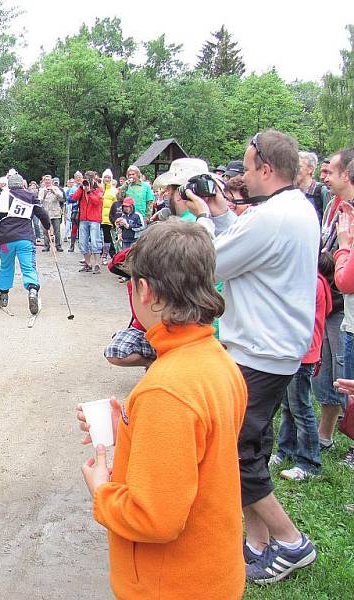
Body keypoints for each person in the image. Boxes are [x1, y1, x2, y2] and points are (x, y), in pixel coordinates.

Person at [80, 218, 246, 600]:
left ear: (146, 291)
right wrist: (132, 428)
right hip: (213, 573)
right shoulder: (218, 361)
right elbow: (198, 450)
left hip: (170, 585)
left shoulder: (165, 389)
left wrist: (102, 491)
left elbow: (155, 517)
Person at [184, 129, 319, 584]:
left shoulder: (272, 218)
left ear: (265, 169)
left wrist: (200, 219)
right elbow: (245, 243)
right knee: (252, 449)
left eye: (245, 166)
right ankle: (258, 543)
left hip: (259, 353)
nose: (240, 175)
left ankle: (291, 542)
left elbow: (213, 264)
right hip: (274, 349)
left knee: (234, 454)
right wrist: (221, 214)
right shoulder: (293, 207)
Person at [270, 251, 331, 480]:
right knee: (288, 406)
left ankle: (309, 463)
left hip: (301, 354)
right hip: (295, 352)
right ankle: (286, 450)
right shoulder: (315, 280)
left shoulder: (310, 282)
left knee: (301, 409)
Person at [0, 172, 51, 314]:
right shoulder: (31, 196)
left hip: (5, 241)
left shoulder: (0, 196)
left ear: (9, 185)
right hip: (25, 240)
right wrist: (47, 226)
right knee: (28, 267)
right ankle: (32, 290)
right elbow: (42, 214)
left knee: (6, 267)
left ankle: (4, 295)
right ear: (22, 185)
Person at [318, 147, 354, 452]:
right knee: (331, 374)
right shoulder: (334, 206)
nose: (324, 176)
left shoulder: (350, 213)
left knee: (347, 373)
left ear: (347, 174)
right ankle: (325, 436)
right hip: (332, 301)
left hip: (344, 303)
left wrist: (340, 250)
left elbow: (346, 277)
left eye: (331, 171)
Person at [72, 172, 104, 273]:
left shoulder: (99, 189)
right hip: (83, 219)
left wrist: (89, 192)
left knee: (95, 241)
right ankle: (87, 263)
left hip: (94, 219)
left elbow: (96, 202)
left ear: (94, 178)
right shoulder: (82, 188)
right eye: (86, 178)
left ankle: (97, 264)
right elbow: (74, 198)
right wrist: (81, 188)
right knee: (82, 242)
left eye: (90, 178)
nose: (88, 180)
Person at [297, 151, 327, 223]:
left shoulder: (322, 191)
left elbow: (328, 222)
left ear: (310, 169)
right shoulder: (291, 192)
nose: (295, 170)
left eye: (299, 167)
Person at [38, 174, 63, 252]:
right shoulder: (42, 190)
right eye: (46, 180)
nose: (47, 181)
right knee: (45, 230)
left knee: (57, 230)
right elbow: (39, 201)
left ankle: (58, 245)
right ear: (44, 181)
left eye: (49, 180)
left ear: (51, 181)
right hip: (45, 213)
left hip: (55, 213)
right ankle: (46, 245)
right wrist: (44, 194)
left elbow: (61, 198)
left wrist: (54, 192)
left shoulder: (56, 189)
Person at [99, 169, 118, 264]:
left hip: (108, 218)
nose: (107, 179)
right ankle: (102, 254)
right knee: (99, 238)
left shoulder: (114, 190)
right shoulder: (99, 189)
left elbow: (116, 205)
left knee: (108, 238)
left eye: (109, 177)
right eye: (105, 177)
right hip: (98, 217)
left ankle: (108, 255)